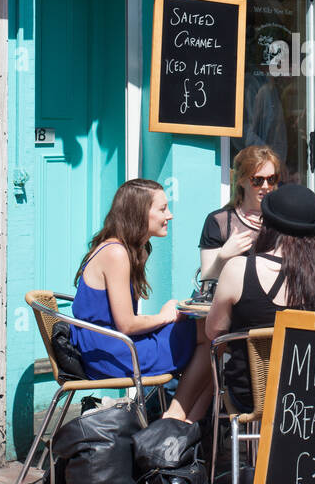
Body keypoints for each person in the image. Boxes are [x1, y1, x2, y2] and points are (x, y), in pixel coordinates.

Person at [71, 179, 212, 423]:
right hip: (110, 351)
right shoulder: (116, 253)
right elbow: (126, 324)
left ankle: (183, 428)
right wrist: (165, 316)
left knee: (213, 343)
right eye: (162, 209)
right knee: (210, 337)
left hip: (114, 344)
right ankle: (174, 421)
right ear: (139, 212)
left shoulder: (135, 250)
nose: (170, 215)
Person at [199, 183, 315, 414]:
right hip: (311, 399)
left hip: (251, 397)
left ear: (267, 225)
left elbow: (214, 333)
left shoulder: (238, 270)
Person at [198, 146, 282, 282]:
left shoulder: (284, 219)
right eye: (257, 180)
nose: (266, 186)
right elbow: (207, 282)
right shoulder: (219, 221)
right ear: (241, 180)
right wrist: (223, 257)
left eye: (271, 179)